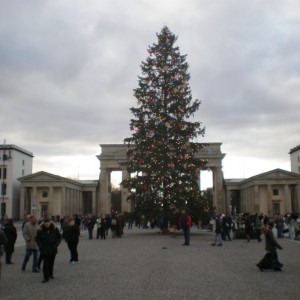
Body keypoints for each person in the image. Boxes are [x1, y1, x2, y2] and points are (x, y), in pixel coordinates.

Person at [35, 217, 61, 283]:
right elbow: (37, 239)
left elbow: (59, 237)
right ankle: (45, 277)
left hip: (53, 248)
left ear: (50, 222)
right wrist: (41, 245)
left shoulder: (55, 229)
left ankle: (50, 274)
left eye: (48, 222)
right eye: (45, 222)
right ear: (43, 222)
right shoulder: (40, 230)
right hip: (44, 249)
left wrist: (56, 244)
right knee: (45, 264)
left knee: (51, 262)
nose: (46, 223)